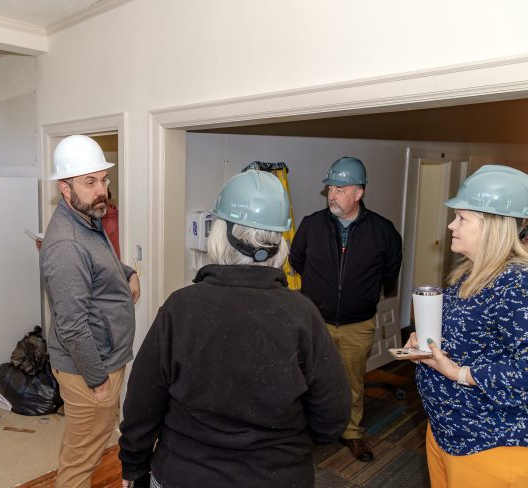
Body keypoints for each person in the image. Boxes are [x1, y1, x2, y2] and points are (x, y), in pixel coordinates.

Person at [118, 170, 350, 488]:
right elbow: (332, 416)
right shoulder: (303, 315)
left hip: (184, 475)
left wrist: (133, 466)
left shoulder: (180, 308)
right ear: (280, 242)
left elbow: (142, 405)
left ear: (219, 234)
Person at [404, 165, 528, 487]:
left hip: (489, 444)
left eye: (462, 218)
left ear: (492, 227)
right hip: (448, 430)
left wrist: (459, 373)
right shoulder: (471, 273)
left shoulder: (516, 284)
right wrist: (428, 347)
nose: (451, 225)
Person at [40, 134, 140, 488]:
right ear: (65, 189)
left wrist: (127, 272)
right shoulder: (66, 244)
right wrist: (97, 382)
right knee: (81, 463)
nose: (102, 190)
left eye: (104, 179)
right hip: (89, 369)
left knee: (83, 449)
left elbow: (98, 264)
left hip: (101, 358)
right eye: (90, 182)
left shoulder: (87, 218)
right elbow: (72, 325)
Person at [289, 156, 402, 462]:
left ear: (359, 193)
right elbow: (297, 260)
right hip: (316, 322)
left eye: (340, 189)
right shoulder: (312, 224)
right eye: (330, 189)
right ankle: (310, 431)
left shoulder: (383, 231)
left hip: (357, 325)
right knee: (311, 380)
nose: (332, 195)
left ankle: (352, 433)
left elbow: (390, 272)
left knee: (352, 382)